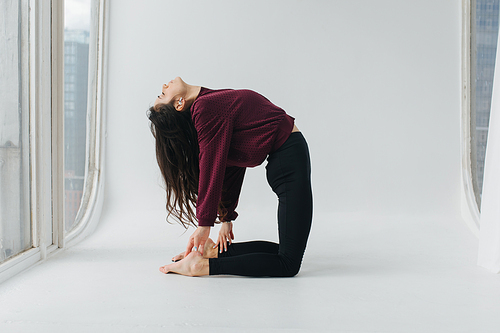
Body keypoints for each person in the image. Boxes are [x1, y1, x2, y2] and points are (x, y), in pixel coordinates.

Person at [148, 77, 312, 277]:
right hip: (288, 159)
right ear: (179, 103)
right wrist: (205, 223)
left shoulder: (208, 100)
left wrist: (226, 217)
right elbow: (212, 164)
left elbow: (229, 162)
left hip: (287, 157)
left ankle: (212, 253)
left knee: (285, 253)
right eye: (163, 94)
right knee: (288, 263)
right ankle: (201, 266)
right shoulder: (205, 107)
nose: (165, 85)